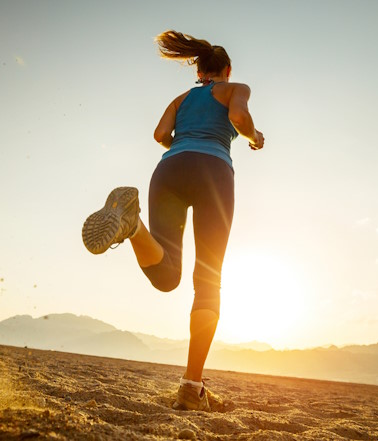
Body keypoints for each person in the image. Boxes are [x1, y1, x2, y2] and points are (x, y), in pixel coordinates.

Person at [82, 30, 264, 411]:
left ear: (199, 72)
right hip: (213, 170)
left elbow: (161, 134)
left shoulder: (181, 99)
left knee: (166, 276)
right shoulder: (234, 88)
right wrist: (252, 136)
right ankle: (191, 385)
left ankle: (132, 226)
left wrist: (182, 146)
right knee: (207, 281)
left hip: (168, 170)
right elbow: (239, 116)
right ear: (227, 70)